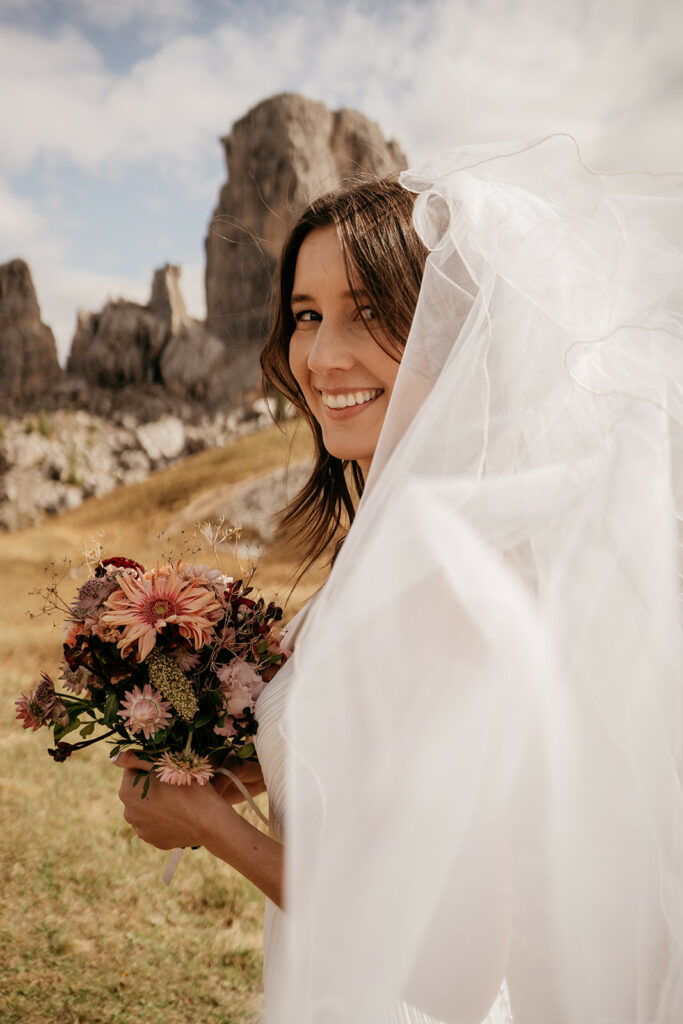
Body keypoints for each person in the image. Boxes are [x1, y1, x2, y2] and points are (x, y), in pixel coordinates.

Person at [115, 136, 683, 1024]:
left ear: (451, 328)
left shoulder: (454, 572)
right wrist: (257, 770)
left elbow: (448, 975)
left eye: (369, 311)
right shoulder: (400, 539)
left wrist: (214, 834)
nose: (321, 356)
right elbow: (412, 776)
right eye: (304, 315)